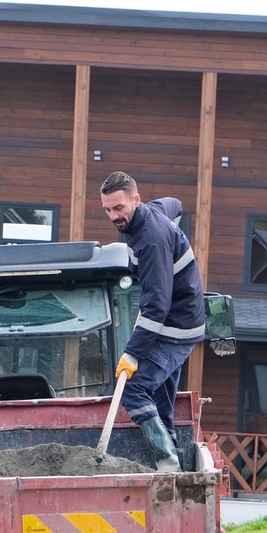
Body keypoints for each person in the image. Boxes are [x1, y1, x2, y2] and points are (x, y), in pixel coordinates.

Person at [100, 171, 206, 472]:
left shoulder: (151, 243)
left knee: (134, 389)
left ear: (136, 199)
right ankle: (176, 454)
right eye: (107, 209)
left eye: (119, 208)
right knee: (160, 397)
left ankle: (167, 460)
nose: (113, 216)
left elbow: (157, 307)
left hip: (176, 326)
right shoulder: (157, 212)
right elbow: (176, 203)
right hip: (179, 319)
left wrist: (131, 354)